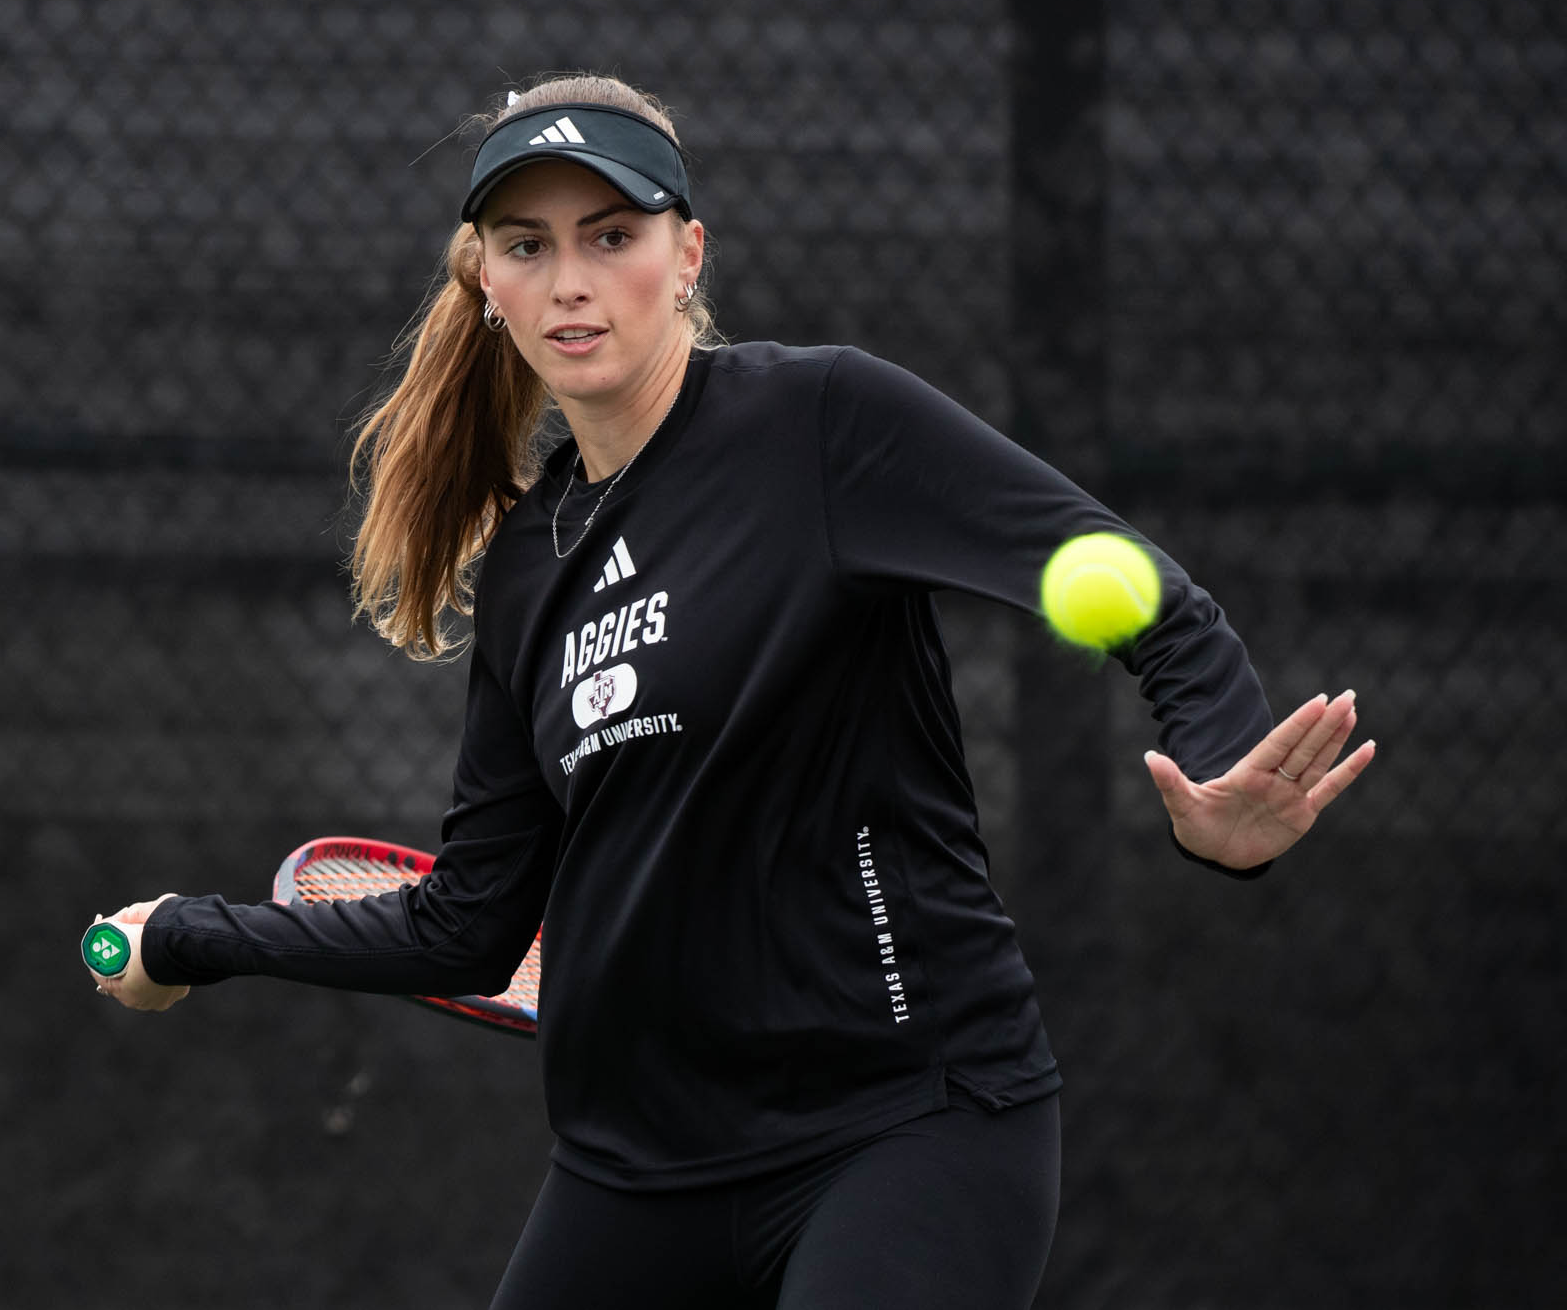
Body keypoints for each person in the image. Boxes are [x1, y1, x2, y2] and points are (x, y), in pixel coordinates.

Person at [89, 74, 1375, 1309]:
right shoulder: (531, 574)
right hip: (641, 1168)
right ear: (484, 279)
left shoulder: (819, 424)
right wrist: (193, 936)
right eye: (526, 247)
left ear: (686, 253)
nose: (571, 280)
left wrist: (1216, 766)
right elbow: (468, 927)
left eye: (609, 234)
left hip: (909, 1124)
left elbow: (1135, 589)